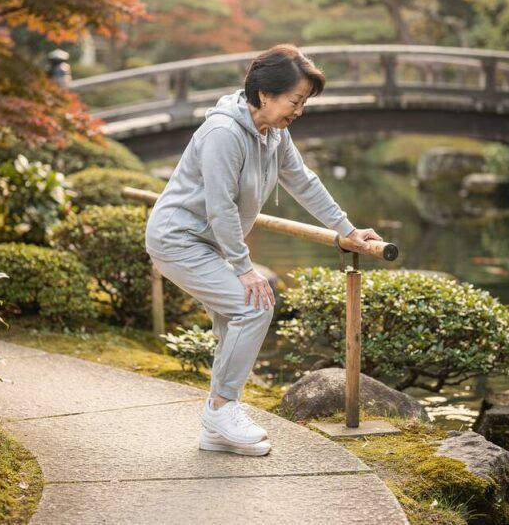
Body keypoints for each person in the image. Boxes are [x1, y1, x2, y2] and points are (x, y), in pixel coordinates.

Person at [144, 44, 382, 456]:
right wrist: (243, 266)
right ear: (265, 94)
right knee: (253, 305)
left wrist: (347, 229)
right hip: (177, 238)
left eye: (304, 102)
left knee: (231, 321)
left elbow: (303, 181)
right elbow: (219, 207)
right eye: (295, 100)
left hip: (208, 241)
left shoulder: (274, 133)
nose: (299, 111)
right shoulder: (224, 133)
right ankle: (221, 409)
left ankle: (216, 432)